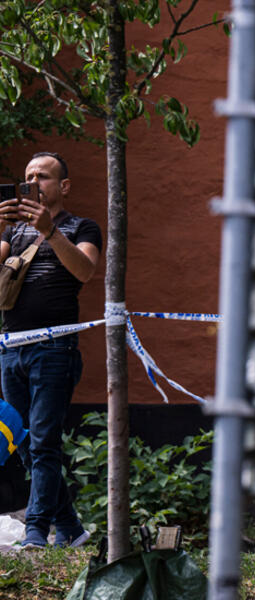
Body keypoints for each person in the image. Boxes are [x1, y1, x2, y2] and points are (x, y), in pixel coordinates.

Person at [0, 152, 102, 548]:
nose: (33, 183)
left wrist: (50, 232)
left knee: (44, 442)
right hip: (12, 349)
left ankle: (37, 534)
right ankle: (72, 530)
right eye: (28, 177)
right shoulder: (14, 233)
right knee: (25, 443)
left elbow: (85, 270)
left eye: (42, 177)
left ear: (64, 186)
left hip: (54, 347)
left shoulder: (81, 226)